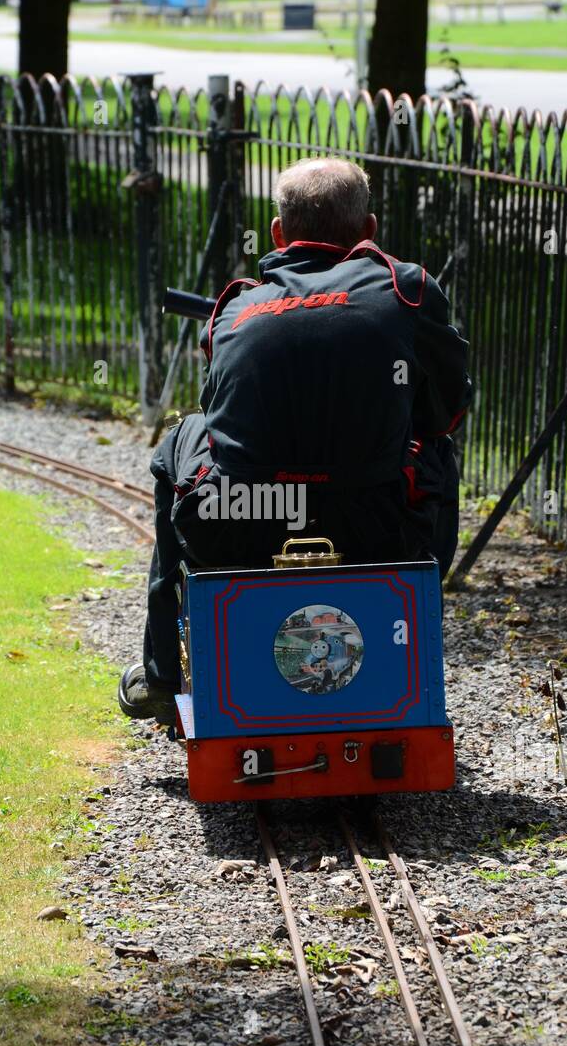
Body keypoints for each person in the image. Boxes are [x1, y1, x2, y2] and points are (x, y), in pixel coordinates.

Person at [119, 157, 471, 724]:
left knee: (180, 440)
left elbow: (220, 417)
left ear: (279, 233)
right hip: (381, 527)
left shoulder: (236, 306)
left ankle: (161, 673)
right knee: (437, 445)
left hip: (240, 524)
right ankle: (422, 599)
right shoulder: (407, 291)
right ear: (369, 230)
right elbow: (448, 411)